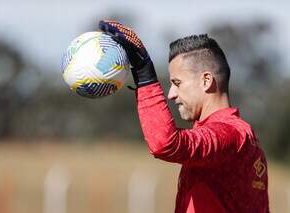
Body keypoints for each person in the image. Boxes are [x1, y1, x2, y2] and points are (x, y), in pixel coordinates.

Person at [99, 20, 270, 213]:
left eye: (177, 83)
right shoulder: (244, 140)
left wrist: (144, 73)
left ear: (206, 80)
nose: (171, 94)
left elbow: (165, 143)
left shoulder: (232, 134)